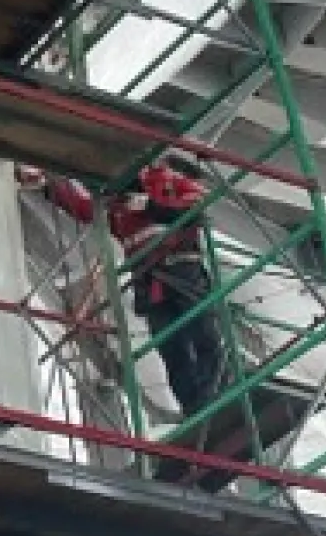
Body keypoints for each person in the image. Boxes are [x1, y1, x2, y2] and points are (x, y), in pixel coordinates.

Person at [27, 151, 225, 418]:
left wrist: (149, 206)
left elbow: (195, 208)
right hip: (152, 284)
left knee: (205, 336)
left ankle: (213, 399)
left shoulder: (167, 183)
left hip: (183, 273)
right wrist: (48, 185)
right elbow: (83, 208)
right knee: (171, 348)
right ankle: (196, 409)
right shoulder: (119, 209)